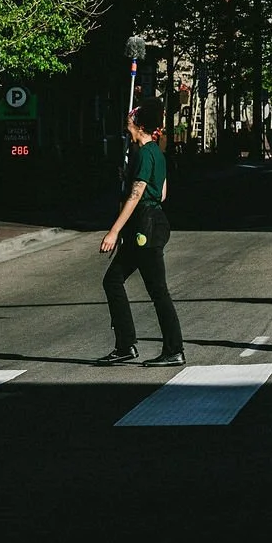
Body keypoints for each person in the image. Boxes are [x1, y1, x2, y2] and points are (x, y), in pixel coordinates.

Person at [96, 111, 185, 367]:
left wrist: (114, 231)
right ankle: (125, 345)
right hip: (151, 222)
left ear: (140, 127)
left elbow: (136, 195)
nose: (127, 128)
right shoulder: (157, 153)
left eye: (129, 124)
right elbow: (164, 193)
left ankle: (174, 349)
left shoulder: (145, 154)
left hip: (145, 226)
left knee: (158, 291)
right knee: (112, 280)